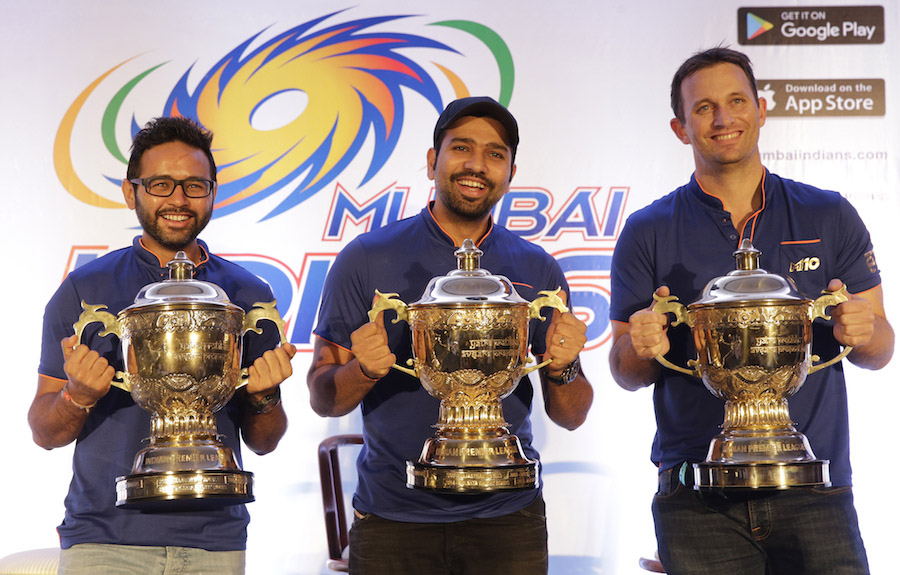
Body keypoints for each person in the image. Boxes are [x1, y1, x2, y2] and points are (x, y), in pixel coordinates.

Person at [609, 47, 894, 575]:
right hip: (697, 495)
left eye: (737, 101)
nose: (723, 119)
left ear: (761, 109)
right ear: (680, 127)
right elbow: (624, 371)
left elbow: (880, 351)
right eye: (704, 108)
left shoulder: (828, 212)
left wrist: (865, 330)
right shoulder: (646, 229)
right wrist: (642, 346)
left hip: (814, 485)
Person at [308, 96, 594, 574]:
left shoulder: (536, 267)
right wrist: (363, 370)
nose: (476, 165)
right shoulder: (365, 257)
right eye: (461, 147)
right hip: (394, 516)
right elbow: (323, 397)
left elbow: (572, 416)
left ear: (510, 172)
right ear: (431, 161)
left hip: (508, 517)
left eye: (495, 154)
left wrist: (563, 369)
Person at [28, 116, 297, 575]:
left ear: (213, 193)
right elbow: (44, 431)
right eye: (161, 184)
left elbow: (265, 442)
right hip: (104, 540)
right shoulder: (83, 290)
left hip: (215, 540)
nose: (178, 200)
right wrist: (78, 397)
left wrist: (266, 396)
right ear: (131, 192)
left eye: (195, 186)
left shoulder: (249, 295)